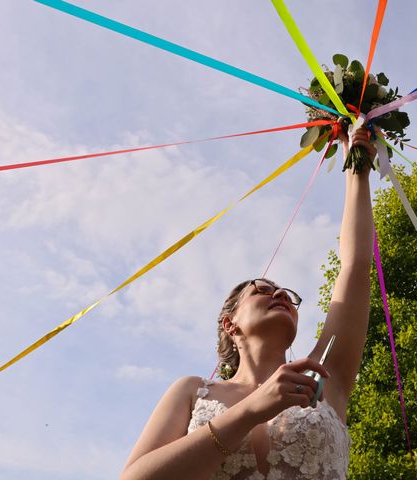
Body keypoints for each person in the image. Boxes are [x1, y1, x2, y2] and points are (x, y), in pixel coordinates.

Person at [121, 126, 376, 480]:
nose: (281, 295)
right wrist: (250, 410)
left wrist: (358, 170)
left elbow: (356, 265)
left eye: (287, 295)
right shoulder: (192, 392)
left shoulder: (324, 379)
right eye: (262, 290)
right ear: (230, 323)